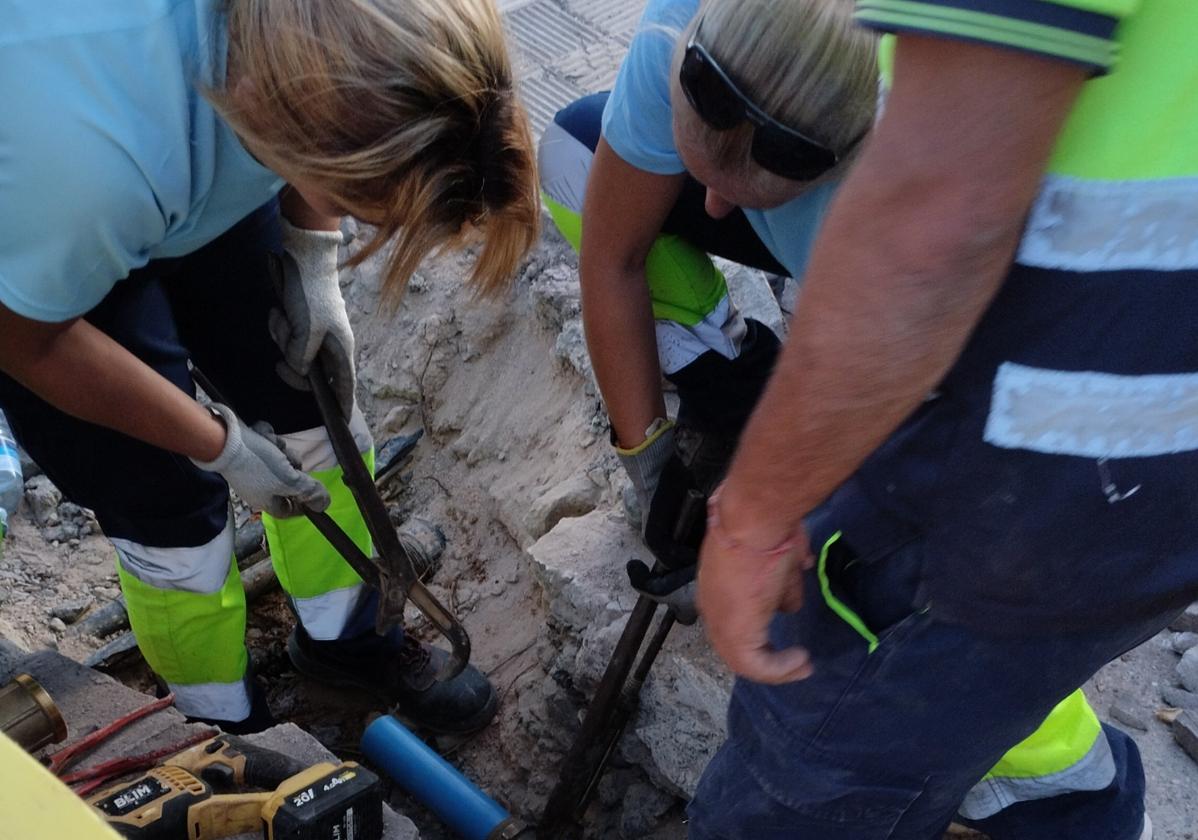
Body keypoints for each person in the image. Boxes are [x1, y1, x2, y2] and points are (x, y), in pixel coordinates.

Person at [537, 0, 1172, 836]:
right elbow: (614, 256)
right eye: (705, 176)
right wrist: (648, 455)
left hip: (1107, 390)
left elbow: (909, 349)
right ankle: (730, 378)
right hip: (883, 241)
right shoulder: (684, 36)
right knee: (580, 144)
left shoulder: (935, 190)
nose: (716, 212)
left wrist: (760, 518)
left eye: (750, 192)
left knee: (877, 620)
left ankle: (1059, 786)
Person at [0, 0, 539, 733]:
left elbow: (340, 89)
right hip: (35, 266)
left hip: (191, 149)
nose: (354, 220)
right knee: (168, 508)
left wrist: (314, 258)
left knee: (312, 407)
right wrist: (216, 444)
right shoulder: (83, 163)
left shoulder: (327, 37)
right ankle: (217, 725)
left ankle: (349, 640)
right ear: (289, 119)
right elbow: (31, 342)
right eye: (353, 201)